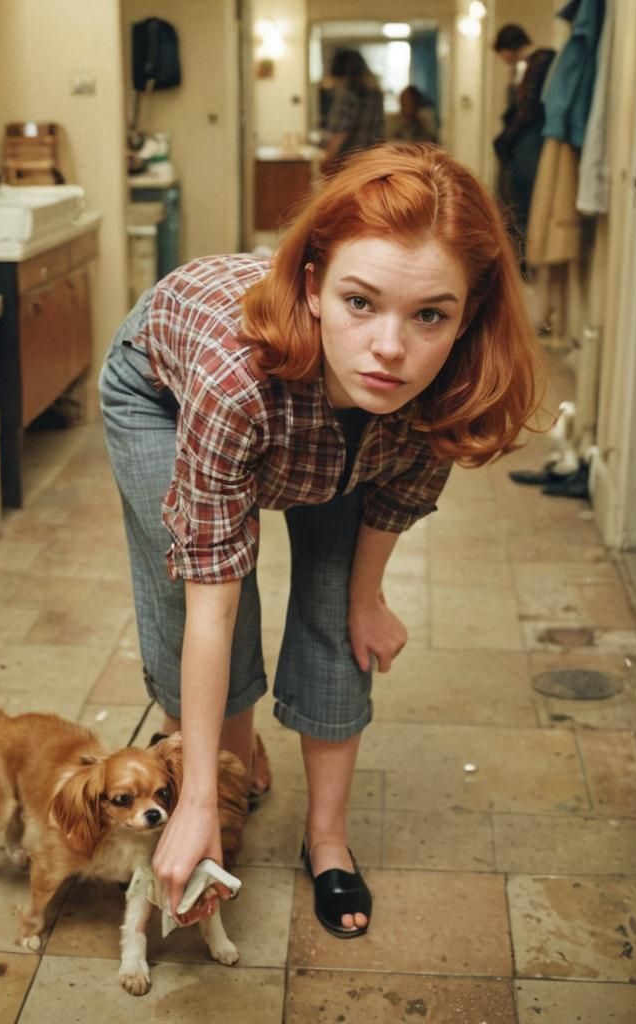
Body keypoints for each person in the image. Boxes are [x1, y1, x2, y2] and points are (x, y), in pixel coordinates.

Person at [98, 142, 541, 939]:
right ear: (313, 286)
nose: (391, 349)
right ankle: (225, 776)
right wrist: (197, 794)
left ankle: (326, 839)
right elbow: (212, 599)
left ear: (466, 315)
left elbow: (397, 494)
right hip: (164, 396)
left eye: (430, 314)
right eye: (361, 302)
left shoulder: (443, 382)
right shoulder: (235, 381)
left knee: (335, 611)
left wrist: (365, 597)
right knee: (197, 604)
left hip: (324, 423)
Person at [491, 24, 556, 265]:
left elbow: (528, 109)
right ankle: (517, 254)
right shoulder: (524, 66)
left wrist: (506, 140)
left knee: (523, 196)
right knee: (513, 194)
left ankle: (524, 257)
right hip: (522, 141)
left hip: (530, 141)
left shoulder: (539, 61)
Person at [321, 49, 385, 173]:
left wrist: (327, 161)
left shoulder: (348, 94)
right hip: (373, 158)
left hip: (349, 162)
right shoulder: (376, 92)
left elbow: (339, 133)